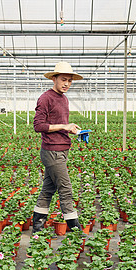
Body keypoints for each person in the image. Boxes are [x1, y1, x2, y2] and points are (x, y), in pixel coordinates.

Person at [32, 61, 83, 234]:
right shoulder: (46, 98)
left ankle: (37, 225)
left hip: (62, 149)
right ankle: (74, 228)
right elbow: (38, 126)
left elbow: (61, 124)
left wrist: (74, 130)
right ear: (54, 78)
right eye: (63, 79)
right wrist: (64, 126)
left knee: (48, 188)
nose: (66, 83)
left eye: (69, 80)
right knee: (65, 188)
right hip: (51, 150)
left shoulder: (64, 99)